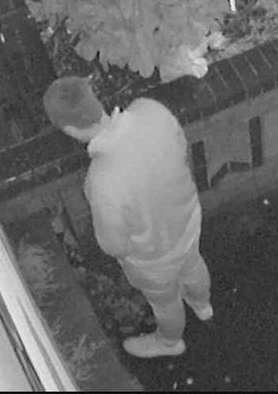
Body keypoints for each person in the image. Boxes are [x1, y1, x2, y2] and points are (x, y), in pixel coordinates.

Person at [42, 76, 213, 358]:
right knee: (193, 264)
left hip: (154, 258)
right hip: (188, 220)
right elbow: (181, 147)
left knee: (165, 302)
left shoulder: (102, 180)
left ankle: (170, 342)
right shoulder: (150, 110)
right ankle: (202, 304)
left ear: (69, 129)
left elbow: (113, 244)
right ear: (95, 99)